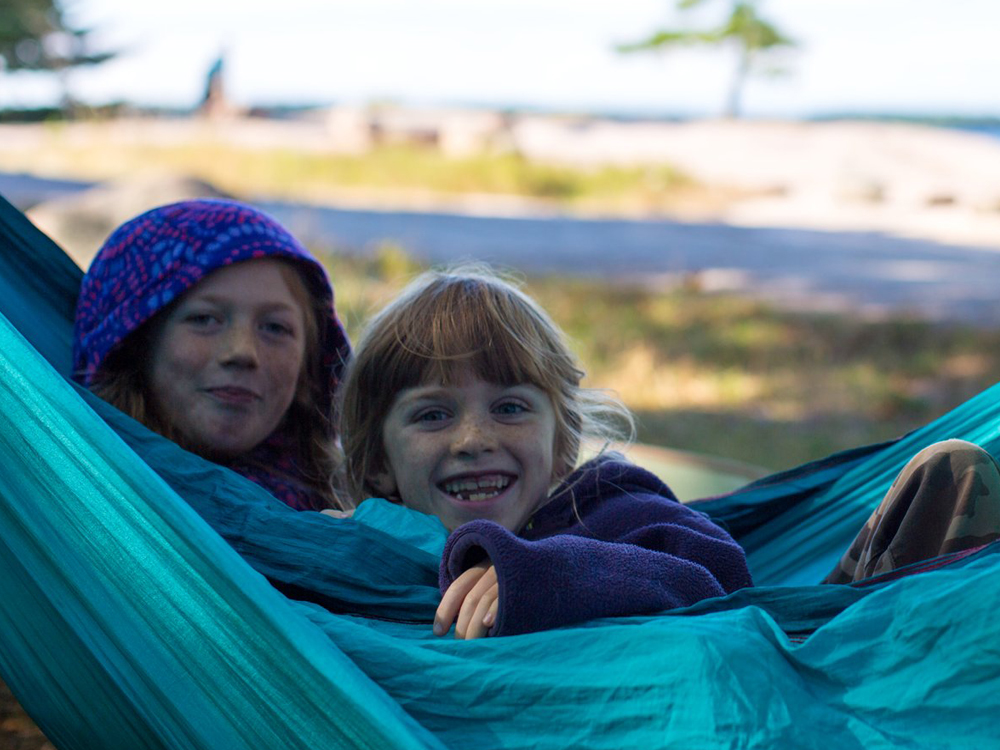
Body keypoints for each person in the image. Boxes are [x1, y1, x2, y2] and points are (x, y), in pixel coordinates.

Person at [338, 267, 754, 639]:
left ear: (563, 443)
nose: (474, 439)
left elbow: (722, 572)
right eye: (432, 415)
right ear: (377, 462)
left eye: (510, 408)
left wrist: (553, 574)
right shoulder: (381, 545)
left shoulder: (615, 510)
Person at [73, 198, 352, 512]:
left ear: (309, 367)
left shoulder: (347, 513)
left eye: (274, 328)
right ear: (134, 343)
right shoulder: (81, 489)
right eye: (204, 320)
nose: (242, 353)